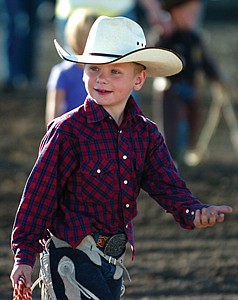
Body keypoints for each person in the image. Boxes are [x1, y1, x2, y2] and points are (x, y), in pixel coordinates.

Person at [10, 16, 232, 299]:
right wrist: (24, 257)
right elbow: (38, 197)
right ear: (82, 72)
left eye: (115, 71)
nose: (102, 78)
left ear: (138, 79)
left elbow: (168, 186)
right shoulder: (67, 132)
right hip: (69, 255)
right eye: (94, 68)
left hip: (112, 258)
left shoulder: (146, 134)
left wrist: (193, 211)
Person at [152, 0, 224, 164]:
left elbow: (205, 61)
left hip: (190, 87)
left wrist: (217, 77)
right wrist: (163, 33)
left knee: (194, 116)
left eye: (195, 13)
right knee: (172, 122)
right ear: (174, 12)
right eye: (190, 13)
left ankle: (189, 149)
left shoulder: (194, 38)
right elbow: (153, 55)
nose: (194, 17)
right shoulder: (165, 36)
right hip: (170, 87)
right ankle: (169, 154)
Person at [45, 9, 98, 125]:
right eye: (86, 37)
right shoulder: (62, 73)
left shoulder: (103, 71)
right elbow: (53, 117)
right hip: (71, 135)